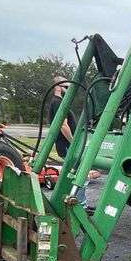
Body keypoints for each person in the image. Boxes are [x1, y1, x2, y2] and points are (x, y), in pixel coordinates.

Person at [48, 75, 95, 211]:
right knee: (80, 175)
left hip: (66, 145)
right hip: (67, 146)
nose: (69, 89)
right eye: (66, 87)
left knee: (75, 175)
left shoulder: (58, 102)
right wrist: (73, 142)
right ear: (58, 87)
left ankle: (79, 204)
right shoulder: (57, 102)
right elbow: (63, 125)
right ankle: (81, 206)